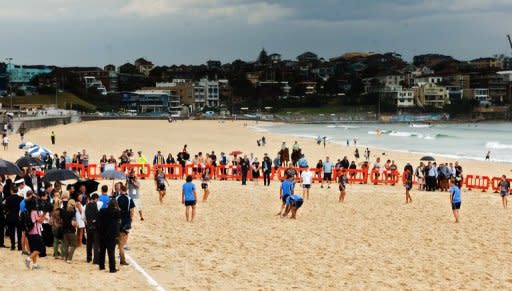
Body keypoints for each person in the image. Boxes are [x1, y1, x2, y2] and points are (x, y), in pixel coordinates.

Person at [97, 199, 121, 273]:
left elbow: (99, 220)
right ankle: (112, 268)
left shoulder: (102, 210)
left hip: (102, 233)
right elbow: (119, 220)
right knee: (111, 252)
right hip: (111, 235)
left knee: (102, 251)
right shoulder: (117, 212)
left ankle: (101, 266)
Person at [116, 186, 135, 266]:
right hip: (126, 221)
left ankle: (121, 256)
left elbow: (116, 209)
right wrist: (131, 219)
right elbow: (132, 211)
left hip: (118, 221)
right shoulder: (129, 198)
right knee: (122, 243)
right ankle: (122, 259)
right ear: (126, 190)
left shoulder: (117, 198)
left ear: (120, 190)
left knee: (119, 240)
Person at [24, 199, 45, 270]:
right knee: (40, 249)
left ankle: (35, 265)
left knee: (34, 249)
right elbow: (39, 221)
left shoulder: (27, 211)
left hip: (29, 232)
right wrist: (43, 215)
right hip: (35, 232)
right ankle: (28, 259)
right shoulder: (34, 212)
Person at [84, 193, 100, 264]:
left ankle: (88, 258)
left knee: (89, 243)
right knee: (96, 244)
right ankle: (95, 259)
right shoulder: (95, 205)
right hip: (95, 226)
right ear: (95, 198)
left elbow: (85, 217)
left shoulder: (86, 206)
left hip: (88, 226)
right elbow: (97, 216)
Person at [61, 199, 77, 263]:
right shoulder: (73, 212)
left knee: (66, 245)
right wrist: (76, 225)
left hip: (64, 229)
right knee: (74, 244)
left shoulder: (63, 210)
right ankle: (69, 258)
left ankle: (65, 257)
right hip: (71, 230)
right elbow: (73, 223)